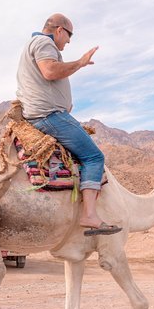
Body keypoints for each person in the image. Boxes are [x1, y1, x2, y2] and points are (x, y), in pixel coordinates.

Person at [16, 13, 121, 236]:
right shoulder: (45, 42)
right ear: (60, 30)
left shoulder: (33, 45)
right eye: (69, 35)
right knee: (95, 157)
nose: (69, 41)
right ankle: (89, 215)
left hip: (47, 113)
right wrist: (81, 63)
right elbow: (50, 71)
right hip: (49, 116)